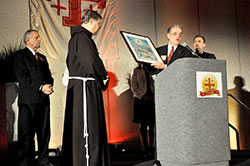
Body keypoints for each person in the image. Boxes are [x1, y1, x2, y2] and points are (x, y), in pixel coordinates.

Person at [61, 10, 110, 166]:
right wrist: (103, 77)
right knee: (88, 127)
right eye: (98, 24)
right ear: (91, 21)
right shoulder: (82, 37)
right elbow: (91, 62)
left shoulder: (78, 37)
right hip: (84, 87)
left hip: (82, 86)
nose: (99, 27)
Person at [14, 30, 54, 166]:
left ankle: (43, 160)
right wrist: (41, 87)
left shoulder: (42, 57)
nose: (39, 40)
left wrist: (49, 86)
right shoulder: (20, 56)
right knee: (26, 133)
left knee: (44, 132)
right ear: (28, 40)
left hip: (43, 101)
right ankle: (25, 162)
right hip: (28, 101)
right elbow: (23, 78)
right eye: (36, 37)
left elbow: (49, 76)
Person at [130, 63, 155, 158]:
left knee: (152, 124)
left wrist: (153, 96)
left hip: (151, 99)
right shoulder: (136, 71)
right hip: (141, 100)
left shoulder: (152, 71)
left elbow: (154, 84)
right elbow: (134, 87)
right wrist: (143, 96)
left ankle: (152, 147)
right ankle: (145, 147)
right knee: (143, 125)